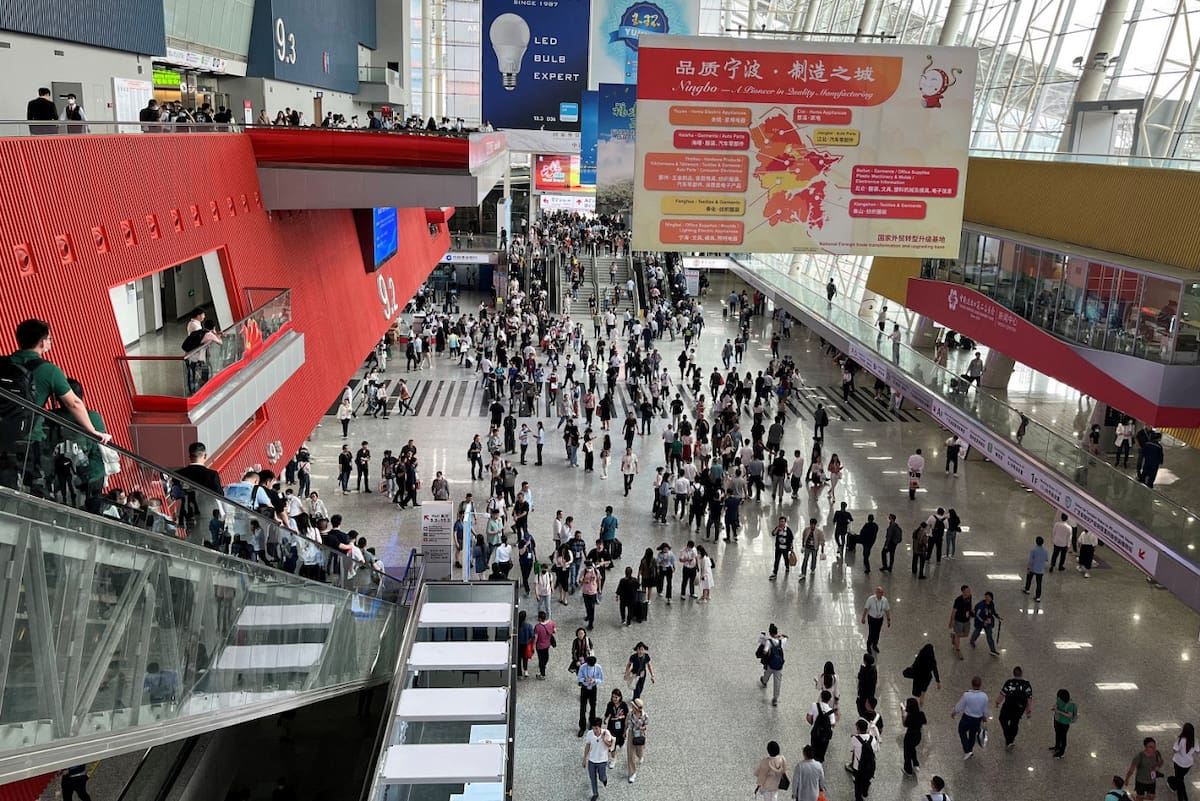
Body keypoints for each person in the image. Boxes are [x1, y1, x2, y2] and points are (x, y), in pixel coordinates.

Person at [951, 675, 989, 760]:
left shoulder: (967, 695)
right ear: (980, 685)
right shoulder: (984, 696)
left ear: (972, 684)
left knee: (961, 731)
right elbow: (985, 709)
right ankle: (970, 750)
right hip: (977, 720)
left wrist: (954, 712)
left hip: (967, 718)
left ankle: (967, 750)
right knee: (972, 735)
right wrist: (985, 717)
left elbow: (960, 706)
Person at [997, 666, 1033, 750]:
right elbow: (1029, 699)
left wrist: (997, 702)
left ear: (1013, 674)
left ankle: (1008, 739)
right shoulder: (1026, 685)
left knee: (1002, 719)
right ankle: (1011, 740)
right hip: (1019, 708)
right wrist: (1028, 711)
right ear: (1021, 674)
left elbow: (1003, 694)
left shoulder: (1009, 683)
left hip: (1008, 706)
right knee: (1015, 723)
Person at [582, 716, 614, 801]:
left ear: (600, 727)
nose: (594, 730)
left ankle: (604, 779)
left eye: (596, 728)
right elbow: (588, 745)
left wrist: (604, 739)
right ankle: (595, 793)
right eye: (593, 728)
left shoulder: (606, 733)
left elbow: (610, 745)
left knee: (601, 777)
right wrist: (585, 758)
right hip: (592, 760)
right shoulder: (590, 734)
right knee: (592, 778)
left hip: (602, 760)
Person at [846, 718, 878, 801]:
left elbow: (851, 749)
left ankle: (859, 798)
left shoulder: (854, 739)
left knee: (858, 784)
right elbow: (875, 750)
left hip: (858, 767)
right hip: (870, 766)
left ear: (858, 729)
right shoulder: (872, 739)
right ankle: (865, 792)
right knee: (867, 780)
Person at [758, 623, 787, 707]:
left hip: (771, 664)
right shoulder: (782, 641)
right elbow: (786, 637)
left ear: (770, 633)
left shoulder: (769, 641)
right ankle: (775, 699)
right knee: (777, 682)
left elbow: (765, 651)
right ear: (776, 632)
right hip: (779, 666)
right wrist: (780, 636)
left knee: (767, 673)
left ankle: (764, 681)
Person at [577, 655, 604, 737]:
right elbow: (579, 678)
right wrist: (584, 679)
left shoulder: (598, 668)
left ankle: (592, 724)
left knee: (593, 707)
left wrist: (594, 680)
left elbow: (601, 679)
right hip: (584, 688)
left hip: (593, 688)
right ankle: (582, 727)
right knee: (583, 708)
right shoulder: (583, 667)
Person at [807, 689, 837, 762]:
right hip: (825, 736)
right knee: (821, 753)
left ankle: (812, 761)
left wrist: (813, 724)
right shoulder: (831, 711)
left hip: (815, 732)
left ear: (821, 697)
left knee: (813, 748)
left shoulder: (814, 705)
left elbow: (808, 717)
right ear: (829, 699)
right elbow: (833, 724)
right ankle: (819, 764)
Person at [1170, 723, 1197, 801]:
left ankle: (1183, 798)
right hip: (1188, 764)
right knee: (1180, 778)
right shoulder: (1195, 740)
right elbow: (1198, 751)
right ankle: (1174, 784)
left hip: (1178, 762)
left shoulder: (1180, 739)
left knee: (1180, 781)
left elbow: (1175, 750)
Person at [603, 689, 629, 769]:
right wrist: (605, 719)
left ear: (620, 697)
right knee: (612, 743)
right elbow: (607, 713)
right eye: (613, 697)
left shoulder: (623, 705)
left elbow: (627, 715)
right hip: (612, 726)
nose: (614, 699)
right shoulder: (610, 704)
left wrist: (621, 717)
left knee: (621, 741)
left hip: (621, 726)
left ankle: (621, 743)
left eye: (616, 697)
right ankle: (613, 759)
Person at [901, 696, 927, 775]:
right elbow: (924, 722)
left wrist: (902, 713)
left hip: (909, 737)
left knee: (907, 753)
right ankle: (916, 764)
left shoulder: (910, 717)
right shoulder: (921, 714)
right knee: (912, 749)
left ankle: (908, 770)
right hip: (918, 736)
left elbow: (904, 724)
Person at [861, 586, 891, 653]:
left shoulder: (884, 600)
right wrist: (863, 618)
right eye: (879, 592)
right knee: (871, 632)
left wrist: (888, 620)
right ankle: (869, 645)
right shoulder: (871, 599)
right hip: (872, 618)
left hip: (880, 619)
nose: (881, 594)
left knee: (877, 632)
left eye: (882, 592)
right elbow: (866, 608)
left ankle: (875, 645)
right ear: (876, 593)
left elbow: (887, 610)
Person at [969, 590, 1000, 655]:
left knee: (989, 636)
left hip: (988, 623)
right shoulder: (981, 605)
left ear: (991, 598)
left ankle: (993, 650)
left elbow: (992, 611)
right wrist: (983, 621)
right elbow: (977, 615)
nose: (987, 598)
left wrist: (996, 616)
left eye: (989, 597)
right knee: (977, 632)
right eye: (986, 597)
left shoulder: (991, 604)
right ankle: (972, 640)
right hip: (980, 622)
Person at [1051, 687, 1078, 758]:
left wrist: (1059, 711)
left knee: (1063, 737)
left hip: (1064, 723)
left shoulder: (1070, 705)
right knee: (1057, 734)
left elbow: (1070, 715)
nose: (1057, 698)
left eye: (1059, 697)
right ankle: (1056, 747)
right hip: (1057, 719)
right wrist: (1055, 707)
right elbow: (1056, 703)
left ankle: (1062, 751)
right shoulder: (1059, 699)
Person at [626, 697, 648, 782]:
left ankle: (640, 755)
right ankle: (632, 772)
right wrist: (625, 732)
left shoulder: (645, 715)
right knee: (630, 754)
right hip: (631, 733)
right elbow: (626, 723)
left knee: (640, 749)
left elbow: (646, 725)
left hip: (640, 733)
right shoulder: (630, 714)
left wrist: (643, 728)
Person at [949, 585, 972, 659]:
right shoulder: (958, 600)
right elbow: (953, 612)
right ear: (963, 592)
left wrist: (971, 613)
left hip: (967, 620)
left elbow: (969, 606)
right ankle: (957, 650)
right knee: (958, 635)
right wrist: (951, 622)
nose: (969, 592)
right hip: (959, 621)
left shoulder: (970, 597)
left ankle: (954, 636)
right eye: (967, 591)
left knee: (966, 634)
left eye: (969, 591)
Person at [1024, 536, 1049, 601]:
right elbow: (1046, 560)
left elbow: (1030, 561)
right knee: (1039, 583)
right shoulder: (1045, 551)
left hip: (1033, 568)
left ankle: (1027, 589)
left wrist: (1028, 568)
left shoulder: (1033, 550)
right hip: (1040, 570)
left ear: (1036, 542)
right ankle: (1038, 597)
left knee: (1029, 579)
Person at [769, 516, 795, 580]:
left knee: (786, 559)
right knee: (777, 560)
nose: (781, 523)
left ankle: (787, 567)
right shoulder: (777, 528)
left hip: (785, 549)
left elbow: (791, 538)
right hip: (778, 548)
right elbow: (773, 534)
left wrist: (791, 547)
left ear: (785, 522)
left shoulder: (788, 530)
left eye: (783, 521)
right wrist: (777, 529)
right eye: (780, 521)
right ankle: (775, 572)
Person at [533, 610, 556, 679]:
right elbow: (554, 631)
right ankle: (545, 664)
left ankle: (542, 674)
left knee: (541, 659)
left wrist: (533, 646)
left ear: (540, 618)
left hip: (540, 646)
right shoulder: (551, 623)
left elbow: (536, 638)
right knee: (546, 655)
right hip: (547, 644)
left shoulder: (537, 627)